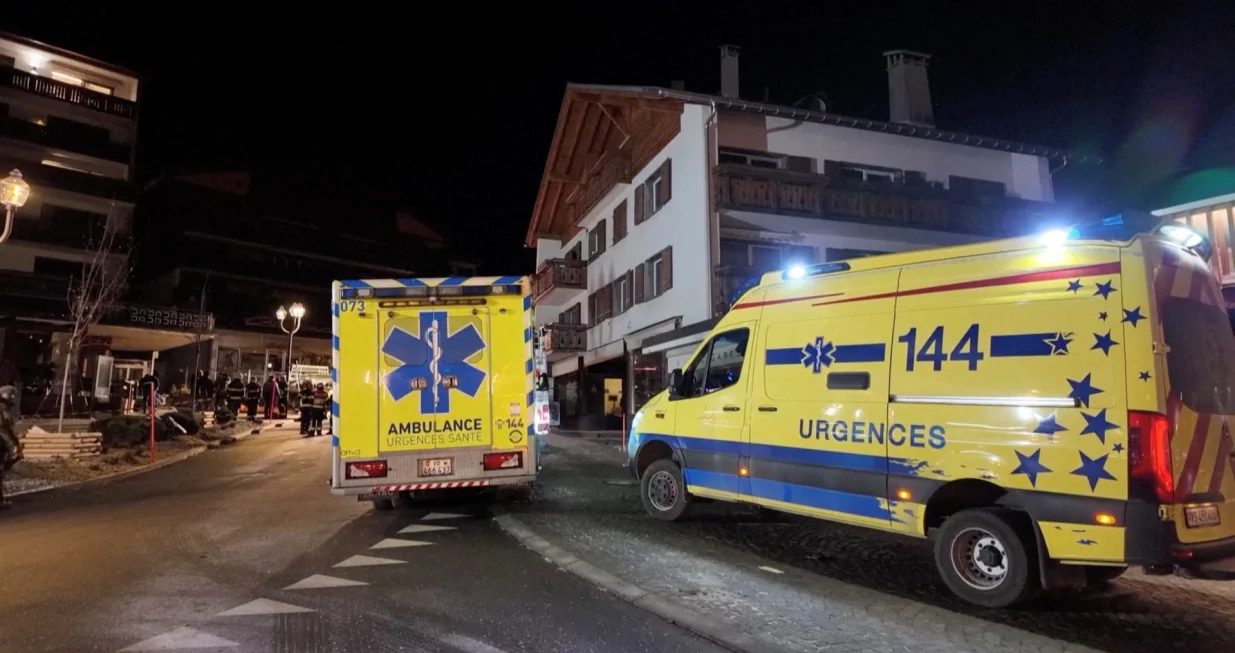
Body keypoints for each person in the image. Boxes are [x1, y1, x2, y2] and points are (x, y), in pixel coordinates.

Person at [0, 385, 22, 509]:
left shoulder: (5, 408)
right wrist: (14, 444)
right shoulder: (1, 408)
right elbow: (3, 429)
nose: (13, 397)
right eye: (10, 394)